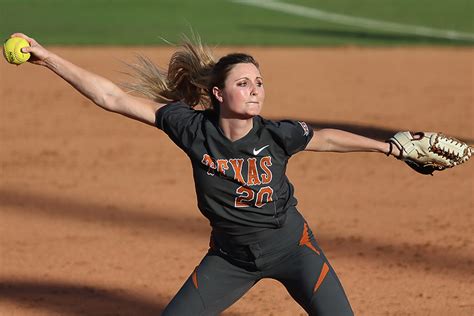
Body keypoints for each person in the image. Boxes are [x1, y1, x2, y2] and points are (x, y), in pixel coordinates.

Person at [8, 33, 401, 315]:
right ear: (218, 93)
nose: (255, 91)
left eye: (259, 83)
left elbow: (326, 138)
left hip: (296, 251)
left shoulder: (276, 134)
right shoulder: (192, 128)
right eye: (243, 83)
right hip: (230, 261)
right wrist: (49, 59)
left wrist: (389, 147)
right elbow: (112, 97)